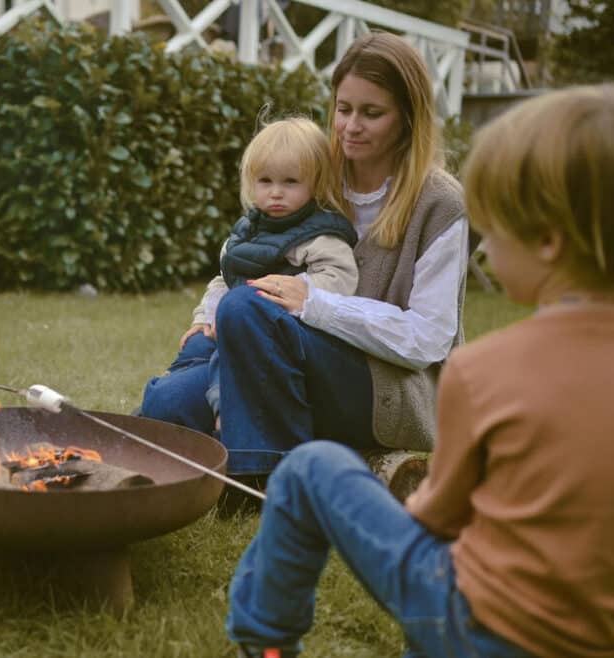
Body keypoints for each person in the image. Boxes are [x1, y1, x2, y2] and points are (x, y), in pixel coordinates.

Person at [226, 83, 614, 658]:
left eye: (494, 230)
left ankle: (267, 644)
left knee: (311, 469)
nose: (485, 250)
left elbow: (438, 519)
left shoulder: (483, 370)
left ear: (549, 242)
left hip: (476, 629)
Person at [140, 32, 468, 478]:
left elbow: (427, 339)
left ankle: (261, 475)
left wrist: (315, 304)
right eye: (344, 109)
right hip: (275, 355)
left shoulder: (439, 202)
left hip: (386, 385)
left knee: (247, 308)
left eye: (372, 114)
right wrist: (206, 317)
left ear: (408, 120)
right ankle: (304, 450)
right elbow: (252, 252)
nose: (350, 127)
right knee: (166, 403)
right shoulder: (314, 172)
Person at [141, 117, 359, 430]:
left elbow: (340, 279)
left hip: (274, 336)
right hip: (229, 325)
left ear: (316, 183)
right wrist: (204, 317)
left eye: (290, 182)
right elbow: (224, 278)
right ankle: (165, 401)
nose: (276, 193)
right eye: (266, 181)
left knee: (226, 354)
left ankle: (224, 410)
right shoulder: (247, 232)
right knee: (195, 347)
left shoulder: (320, 236)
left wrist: (286, 289)